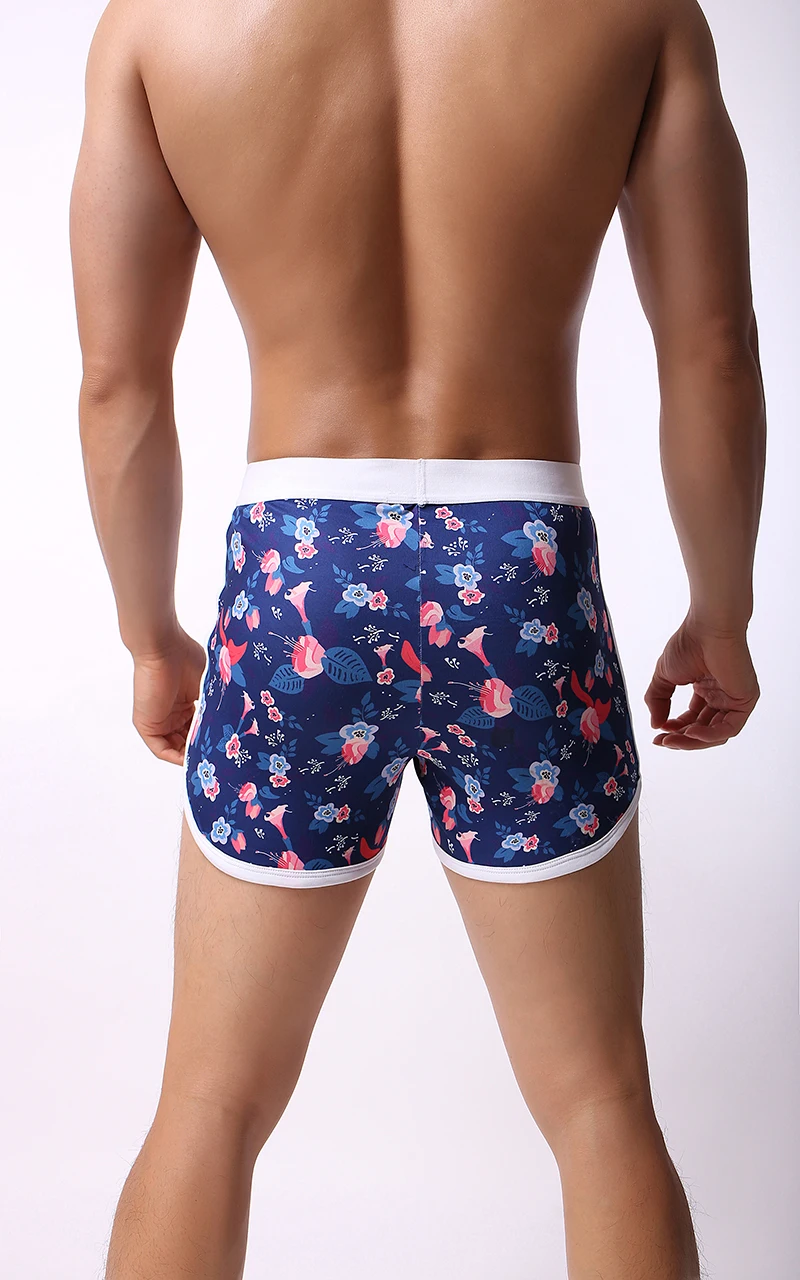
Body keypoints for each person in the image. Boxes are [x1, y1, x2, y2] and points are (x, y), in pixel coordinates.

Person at [69, 0, 765, 1275]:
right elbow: (710, 350)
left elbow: (119, 382)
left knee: (210, 1102)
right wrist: (720, 612)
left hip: (296, 579)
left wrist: (150, 636)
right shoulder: (640, 13)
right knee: (598, 1101)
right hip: (521, 572)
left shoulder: (157, 24)